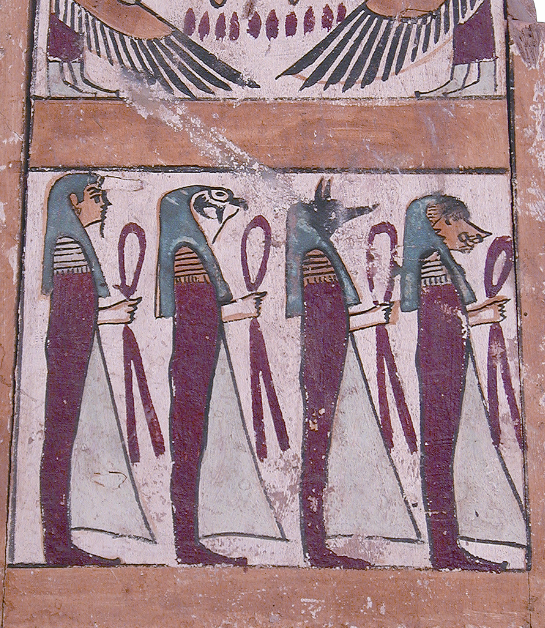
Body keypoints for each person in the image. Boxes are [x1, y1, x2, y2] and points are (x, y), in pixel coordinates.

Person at [286, 179, 408, 568]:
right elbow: (326, 322)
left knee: (320, 450)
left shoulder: (314, 251)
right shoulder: (315, 256)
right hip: (322, 365)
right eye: (335, 218)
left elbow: (328, 320)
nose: (342, 223)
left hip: (324, 360)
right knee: (317, 451)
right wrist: (374, 317)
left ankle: (317, 545)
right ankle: (316, 547)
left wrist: (372, 316)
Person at [156, 185, 274, 566]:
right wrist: (241, 310)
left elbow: (200, 312)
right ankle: (187, 544)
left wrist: (239, 310)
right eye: (216, 211)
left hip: (194, 358)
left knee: (193, 446)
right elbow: (196, 317)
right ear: (195, 212)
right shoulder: (187, 252)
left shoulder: (192, 249)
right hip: (192, 362)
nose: (223, 219)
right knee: (189, 448)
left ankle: (188, 542)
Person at [400, 193, 509, 571]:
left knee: (442, 453)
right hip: (440, 363)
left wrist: (476, 313)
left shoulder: (438, 260)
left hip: (445, 359)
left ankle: (446, 548)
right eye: (456, 224)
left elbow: (447, 316)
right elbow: (442, 320)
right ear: (437, 224)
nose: (466, 233)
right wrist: (480, 316)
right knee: (439, 454)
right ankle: (444, 550)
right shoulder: (432, 261)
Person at [41, 173, 140, 566]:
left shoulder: (73, 241)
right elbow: (69, 315)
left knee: (63, 443)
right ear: (73, 203)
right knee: (60, 444)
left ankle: (59, 542)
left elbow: (74, 311)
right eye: (96, 196)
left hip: (73, 349)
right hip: (69, 352)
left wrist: (107, 315)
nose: (105, 204)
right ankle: (57, 544)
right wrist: (109, 316)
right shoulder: (68, 244)